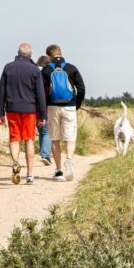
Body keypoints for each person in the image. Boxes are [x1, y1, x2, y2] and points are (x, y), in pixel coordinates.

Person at [0, 43, 47, 185]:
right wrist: (42, 115)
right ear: (30, 55)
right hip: (30, 110)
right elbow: (40, 95)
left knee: (14, 139)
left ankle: (15, 162)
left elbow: (2, 91)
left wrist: (0, 112)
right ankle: (30, 175)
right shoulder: (34, 69)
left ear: (18, 53)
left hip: (12, 109)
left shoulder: (8, 67)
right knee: (29, 140)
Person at [41, 44, 85, 181]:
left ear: (49, 56)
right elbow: (81, 89)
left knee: (55, 138)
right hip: (69, 107)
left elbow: (41, 92)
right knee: (70, 137)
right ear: (61, 53)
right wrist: (76, 104)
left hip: (53, 107)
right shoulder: (72, 68)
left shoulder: (46, 69)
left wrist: (44, 107)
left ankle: (59, 170)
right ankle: (69, 161)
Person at [35, 55, 52, 165]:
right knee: (46, 132)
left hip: (33, 108)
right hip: (45, 107)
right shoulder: (48, 74)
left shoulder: (34, 72)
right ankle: (45, 155)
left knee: (41, 131)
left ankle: (43, 154)